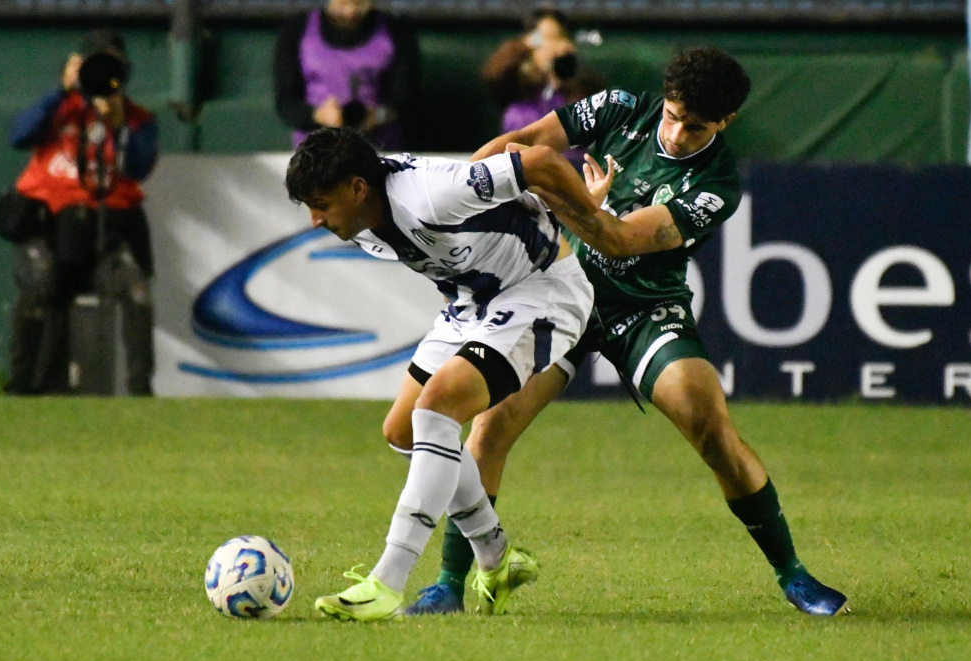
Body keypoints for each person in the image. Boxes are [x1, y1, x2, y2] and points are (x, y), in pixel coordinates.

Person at [406, 46, 850, 618]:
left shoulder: (716, 185)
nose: (678, 131)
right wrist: (460, 196)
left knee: (707, 421)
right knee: (490, 426)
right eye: (672, 114)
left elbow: (619, 240)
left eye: (696, 126)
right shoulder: (619, 107)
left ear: (726, 122)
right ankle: (447, 584)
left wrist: (568, 200)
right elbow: (524, 144)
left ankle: (793, 575)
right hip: (557, 291)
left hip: (642, 307)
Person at [285, 127, 598, 622]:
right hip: (472, 304)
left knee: (437, 410)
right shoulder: (367, 215)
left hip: (542, 293)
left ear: (358, 188)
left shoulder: (429, 194)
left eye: (321, 203)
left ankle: (387, 581)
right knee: (404, 429)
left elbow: (536, 160)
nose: (315, 218)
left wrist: (595, 221)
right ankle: (496, 557)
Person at [3, 29, 157, 395]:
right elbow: (18, 135)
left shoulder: (136, 119)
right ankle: (20, 383)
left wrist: (120, 127)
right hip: (50, 229)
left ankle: (140, 390)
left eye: (113, 67)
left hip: (106, 233)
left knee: (135, 289)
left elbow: (138, 168)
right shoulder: (58, 108)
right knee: (42, 281)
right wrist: (62, 89)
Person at [273, 0, 420, 150]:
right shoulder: (296, 30)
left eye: (359, 4)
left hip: (380, 149)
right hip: (317, 152)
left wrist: (377, 116)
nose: (350, 12)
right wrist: (320, 115)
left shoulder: (397, 31)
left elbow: (406, 101)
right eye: (343, 3)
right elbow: (286, 103)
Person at [482, 7, 604, 136]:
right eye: (552, 38)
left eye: (564, 38)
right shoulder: (519, 110)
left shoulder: (582, 94)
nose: (561, 46)